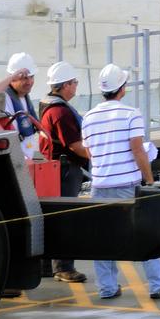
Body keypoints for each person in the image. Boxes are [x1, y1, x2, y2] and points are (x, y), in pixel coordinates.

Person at [80, 63, 160, 301]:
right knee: (144, 233)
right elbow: (138, 150)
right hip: (126, 186)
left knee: (103, 238)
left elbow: (90, 153)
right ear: (122, 88)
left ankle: (107, 288)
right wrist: (150, 180)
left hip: (99, 186)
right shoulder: (131, 114)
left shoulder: (88, 117)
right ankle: (158, 285)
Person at [37, 61, 90, 283]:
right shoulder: (60, 112)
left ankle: (45, 266)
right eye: (74, 82)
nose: (76, 85)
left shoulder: (47, 105)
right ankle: (64, 268)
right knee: (66, 217)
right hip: (65, 169)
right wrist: (99, 156)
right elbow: (75, 145)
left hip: (53, 167)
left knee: (50, 216)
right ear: (65, 85)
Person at [0, 52, 40, 148]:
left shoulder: (25, 97)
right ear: (12, 79)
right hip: (14, 152)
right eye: (24, 78)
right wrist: (13, 76)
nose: (29, 82)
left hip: (28, 151)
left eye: (32, 77)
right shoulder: (4, 98)